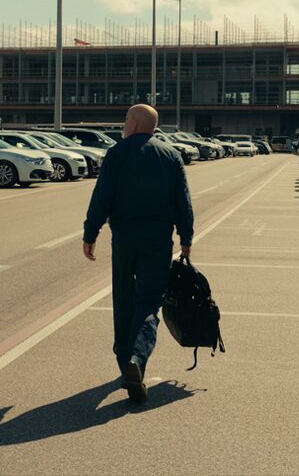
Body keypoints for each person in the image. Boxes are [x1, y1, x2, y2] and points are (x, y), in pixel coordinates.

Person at [81, 104, 194, 403]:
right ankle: (136, 359)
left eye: (127, 118)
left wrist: (90, 233)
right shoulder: (170, 156)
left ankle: (126, 363)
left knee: (124, 299)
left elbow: (102, 196)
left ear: (137, 122)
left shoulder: (117, 153)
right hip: (158, 239)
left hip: (124, 238)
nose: (124, 123)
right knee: (148, 303)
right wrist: (186, 236)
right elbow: (183, 199)